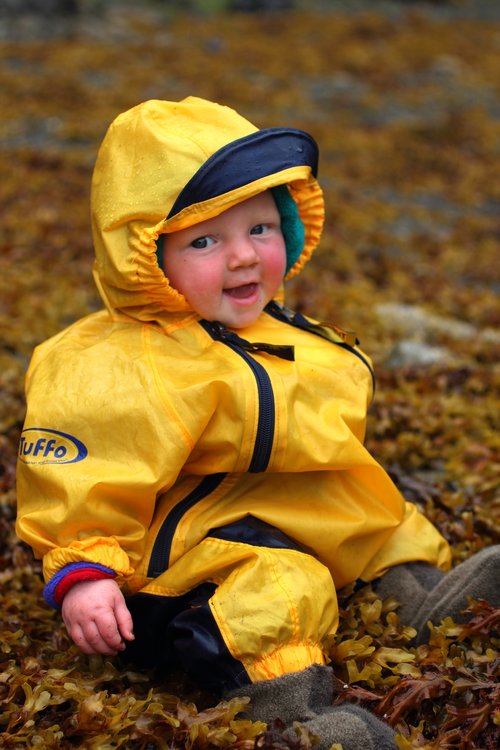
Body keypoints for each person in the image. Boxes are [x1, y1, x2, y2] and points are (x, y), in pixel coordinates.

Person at [16, 97, 499, 750]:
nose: (244, 256)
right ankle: (287, 711)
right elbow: (85, 470)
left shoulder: (283, 334)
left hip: (265, 513)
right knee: (280, 583)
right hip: (173, 570)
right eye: (205, 240)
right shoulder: (118, 362)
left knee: (364, 508)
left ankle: (418, 597)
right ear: (145, 254)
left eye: (262, 229)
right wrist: (85, 573)